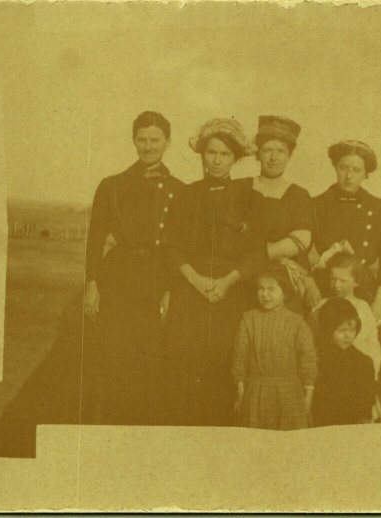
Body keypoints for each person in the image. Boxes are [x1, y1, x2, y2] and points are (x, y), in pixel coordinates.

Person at [81, 110, 184, 425]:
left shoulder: (179, 189)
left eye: (155, 140)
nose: (148, 146)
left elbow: (178, 247)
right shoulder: (112, 185)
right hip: (118, 279)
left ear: (167, 142)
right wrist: (92, 284)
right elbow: (96, 238)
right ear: (133, 141)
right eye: (142, 139)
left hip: (156, 280)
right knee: (114, 360)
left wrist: (170, 290)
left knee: (150, 364)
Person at [166, 118, 264, 426]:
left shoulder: (251, 198)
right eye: (211, 152)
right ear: (202, 155)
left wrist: (227, 281)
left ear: (236, 158)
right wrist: (195, 279)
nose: (217, 160)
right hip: (189, 291)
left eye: (224, 154)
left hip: (231, 293)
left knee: (226, 366)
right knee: (185, 367)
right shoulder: (185, 194)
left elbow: (256, 251)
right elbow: (171, 245)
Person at [307, 140, 381, 422]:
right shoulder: (316, 204)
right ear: (335, 168)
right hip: (328, 291)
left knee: (368, 358)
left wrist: (379, 303)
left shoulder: (380, 208)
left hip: (366, 296)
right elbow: (304, 249)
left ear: (366, 174)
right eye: (343, 167)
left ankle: (369, 420)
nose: (348, 175)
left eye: (356, 170)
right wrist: (317, 272)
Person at [231, 264, 317, 430]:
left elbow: (308, 359)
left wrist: (309, 392)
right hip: (256, 392)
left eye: (271, 289)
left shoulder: (297, 322)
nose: (265, 294)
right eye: (261, 289)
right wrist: (240, 388)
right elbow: (239, 356)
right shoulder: (249, 319)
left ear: (285, 292)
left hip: (290, 394)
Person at [241, 115, 313, 313]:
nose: (274, 158)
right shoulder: (241, 188)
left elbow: (301, 240)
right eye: (267, 150)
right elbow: (235, 230)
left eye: (281, 151)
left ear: (289, 155)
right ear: (257, 154)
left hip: (282, 285)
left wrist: (260, 253)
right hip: (243, 278)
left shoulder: (298, 195)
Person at [311, 252, 381, 422]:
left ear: (356, 281)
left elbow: (373, 347)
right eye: (332, 279)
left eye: (343, 280)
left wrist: (370, 380)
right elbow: (313, 342)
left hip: (357, 381)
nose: (336, 285)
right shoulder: (320, 307)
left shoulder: (363, 308)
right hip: (328, 381)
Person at [311, 297, 376, 427]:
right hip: (322, 423)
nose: (348, 336)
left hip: (351, 425)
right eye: (342, 330)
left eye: (352, 330)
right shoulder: (317, 359)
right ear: (328, 329)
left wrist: (364, 417)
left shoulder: (363, 362)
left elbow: (366, 401)